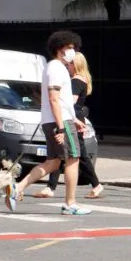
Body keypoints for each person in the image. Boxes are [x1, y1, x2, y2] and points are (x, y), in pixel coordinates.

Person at [5, 30, 92, 215]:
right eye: (70, 48)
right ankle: (70, 203)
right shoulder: (56, 68)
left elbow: (62, 101)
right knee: (73, 159)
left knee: (53, 163)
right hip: (59, 122)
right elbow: (54, 99)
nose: (73, 51)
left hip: (58, 120)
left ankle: (17, 188)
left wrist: (73, 119)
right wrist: (62, 127)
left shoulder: (56, 68)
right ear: (60, 48)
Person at [36, 52, 104, 199]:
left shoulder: (76, 81)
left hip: (72, 119)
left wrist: (54, 99)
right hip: (73, 118)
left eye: (70, 63)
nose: (67, 65)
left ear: (76, 64)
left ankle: (95, 185)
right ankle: (51, 187)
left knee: (74, 155)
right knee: (65, 154)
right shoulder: (81, 79)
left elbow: (69, 102)